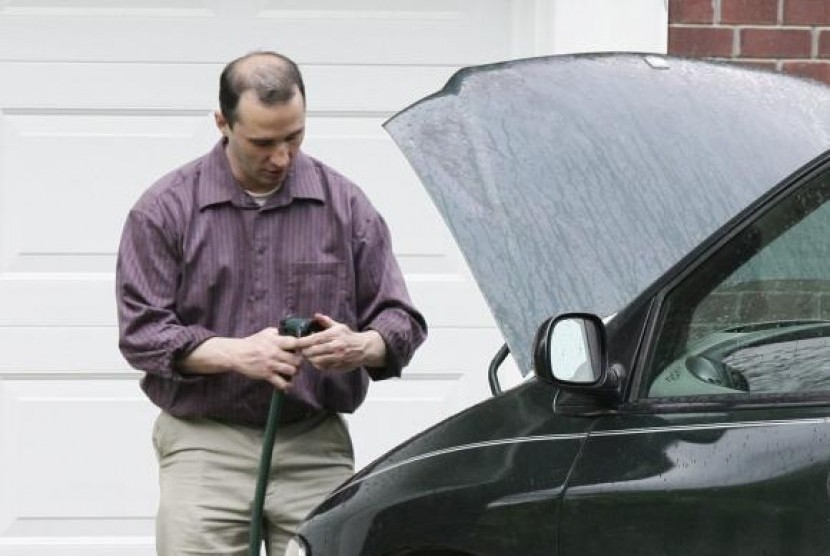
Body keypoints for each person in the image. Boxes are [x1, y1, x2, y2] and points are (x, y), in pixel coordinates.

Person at [116, 50, 427, 555]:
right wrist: (235, 353)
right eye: (263, 142)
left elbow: (401, 321)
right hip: (205, 443)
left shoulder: (346, 205)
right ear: (223, 122)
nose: (281, 157)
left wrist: (361, 345)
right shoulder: (164, 210)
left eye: (294, 137)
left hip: (314, 444)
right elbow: (142, 335)